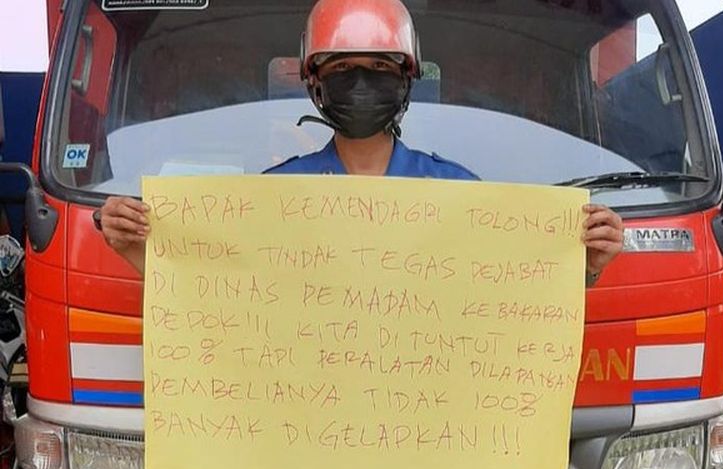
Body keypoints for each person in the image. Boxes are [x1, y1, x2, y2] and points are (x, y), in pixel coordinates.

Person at [96, 0, 624, 283]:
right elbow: (211, 291)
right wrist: (135, 246)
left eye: (380, 67)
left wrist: (586, 264)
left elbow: (513, 289)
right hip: (310, 425)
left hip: (425, 427)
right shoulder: (272, 196)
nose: (362, 82)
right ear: (314, 83)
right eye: (343, 69)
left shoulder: (461, 194)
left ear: (407, 80)